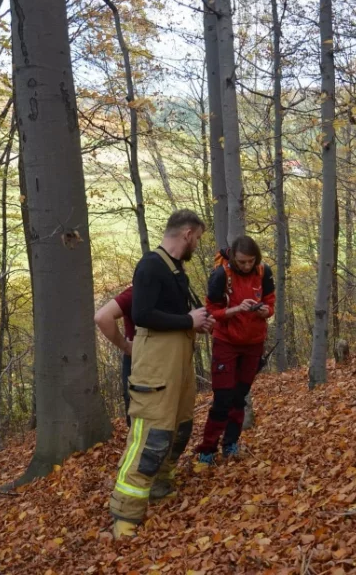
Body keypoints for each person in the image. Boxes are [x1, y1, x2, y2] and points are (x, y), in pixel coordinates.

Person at [109, 209, 214, 539]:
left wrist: (195, 322)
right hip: (155, 365)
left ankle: (160, 485)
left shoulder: (175, 269)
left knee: (180, 426)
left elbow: (169, 313)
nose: (197, 244)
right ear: (187, 234)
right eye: (197, 238)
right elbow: (142, 314)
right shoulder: (151, 265)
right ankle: (125, 517)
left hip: (178, 361)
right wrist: (188, 321)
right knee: (150, 436)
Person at [196, 235, 275, 465]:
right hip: (226, 342)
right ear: (233, 259)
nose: (246, 266)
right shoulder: (221, 275)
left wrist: (265, 311)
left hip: (253, 342)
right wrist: (236, 309)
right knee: (223, 397)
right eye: (242, 262)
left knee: (239, 396)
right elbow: (211, 311)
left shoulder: (264, 272)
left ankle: (230, 443)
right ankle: (207, 449)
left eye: (250, 261)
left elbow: (271, 301)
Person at [94, 286, 135, 425]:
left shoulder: (177, 289)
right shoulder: (137, 291)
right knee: (137, 415)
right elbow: (102, 317)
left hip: (169, 362)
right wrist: (126, 346)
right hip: (137, 359)